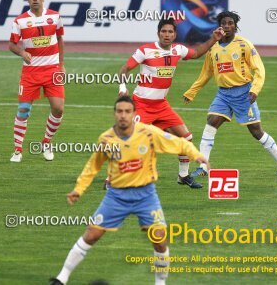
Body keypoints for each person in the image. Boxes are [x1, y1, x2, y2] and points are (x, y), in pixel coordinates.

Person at [49, 96, 210, 285]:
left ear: (134, 114)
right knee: (91, 235)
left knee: (159, 240)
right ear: (114, 114)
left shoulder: (148, 133)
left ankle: (160, 283)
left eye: (127, 111)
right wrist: (78, 190)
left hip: (146, 195)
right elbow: (92, 167)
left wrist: (198, 156)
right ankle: (62, 278)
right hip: (116, 196)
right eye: (119, 111)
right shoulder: (107, 139)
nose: (123, 115)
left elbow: (181, 143)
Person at [118, 19, 224, 188]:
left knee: (186, 138)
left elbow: (196, 53)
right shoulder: (145, 51)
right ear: (158, 33)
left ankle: (183, 176)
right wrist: (122, 88)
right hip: (142, 106)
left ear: (175, 34)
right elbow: (124, 69)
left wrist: (214, 39)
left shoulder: (178, 50)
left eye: (170, 32)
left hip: (161, 105)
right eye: (163, 32)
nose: (166, 35)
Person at [183, 11, 277, 177]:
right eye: (224, 23)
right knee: (211, 122)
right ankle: (203, 167)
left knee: (256, 131)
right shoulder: (214, 47)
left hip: (244, 93)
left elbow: (259, 69)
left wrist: (255, 89)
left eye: (230, 23)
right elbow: (206, 73)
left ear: (235, 26)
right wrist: (192, 91)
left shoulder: (244, 44)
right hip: (223, 94)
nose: (227, 26)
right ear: (219, 25)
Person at [9, 0, 65, 163]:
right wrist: (22, 53)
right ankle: (17, 150)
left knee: (58, 108)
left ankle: (46, 142)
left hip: (52, 70)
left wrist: (61, 64)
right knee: (24, 110)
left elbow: (60, 39)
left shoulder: (55, 17)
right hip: (31, 72)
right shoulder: (20, 21)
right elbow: (11, 45)